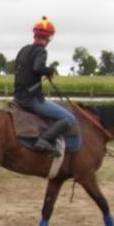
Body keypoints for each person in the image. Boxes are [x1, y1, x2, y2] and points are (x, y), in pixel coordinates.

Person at [13, 16, 77, 155]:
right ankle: (44, 140)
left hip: (18, 96)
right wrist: (50, 71)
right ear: (48, 38)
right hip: (32, 99)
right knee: (69, 118)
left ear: (35, 34)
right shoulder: (41, 50)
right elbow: (37, 67)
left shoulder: (24, 49)